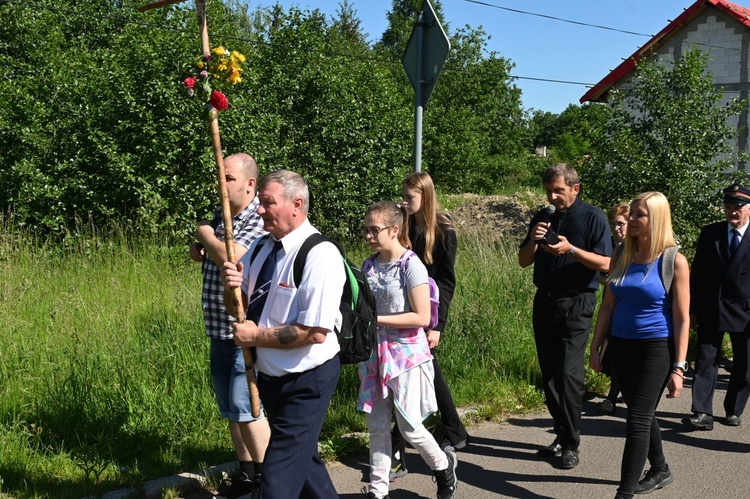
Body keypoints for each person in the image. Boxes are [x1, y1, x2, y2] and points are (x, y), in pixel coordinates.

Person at [222, 170, 344, 499]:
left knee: (276, 483)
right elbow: (239, 310)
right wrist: (230, 286)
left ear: (297, 205)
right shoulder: (262, 247)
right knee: (304, 466)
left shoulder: (321, 255)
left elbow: (315, 332)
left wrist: (254, 338)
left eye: (267, 203)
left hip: (307, 381)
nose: (259, 210)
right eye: (259, 202)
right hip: (270, 378)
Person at [590, 191, 689, 499]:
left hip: (655, 349)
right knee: (640, 412)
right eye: (631, 213)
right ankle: (660, 469)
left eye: (639, 215)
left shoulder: (675, 261)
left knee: (637, 420)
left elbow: (682, 319)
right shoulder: (621, 254)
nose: (631, 219)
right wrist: (596, 346)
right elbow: (607, 305)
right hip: (621, 346)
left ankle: (624, 494)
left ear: (656, 219)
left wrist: (679, 368)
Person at [357, 201, 458, 499]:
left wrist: (376, 319)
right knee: (376, 428)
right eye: (367, 230)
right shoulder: (368, 265)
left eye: (374, 230)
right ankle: (379, 492)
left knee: (410, 428)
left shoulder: (410, 264)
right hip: (375, 355)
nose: (369, 236)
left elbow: (422, 317)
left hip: (406, 357)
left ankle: (442, 465)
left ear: (395, 229)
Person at [518, 163, 611, 469]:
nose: (553, 196)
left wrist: (571, 250)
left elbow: (607, 263)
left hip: (577, 303)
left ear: (575, 188)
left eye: (558, 190)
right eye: (549, 191)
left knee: (569, 375)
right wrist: (534, 237)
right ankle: (560, 434)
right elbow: (523, 261)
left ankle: (571, 443)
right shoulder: (543, 216)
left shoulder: (593, 216)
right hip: (544, 302)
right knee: (551, 376)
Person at [188, 153, 270, 499]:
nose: (221, 185)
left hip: (244, 329)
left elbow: (231, 255)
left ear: (250, 184)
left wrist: (204, 234)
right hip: (218, 327)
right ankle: (247, 474)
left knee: (250, 408)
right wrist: (204, 241)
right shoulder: (222, 216)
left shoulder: (256, 218)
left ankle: (270, 479)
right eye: (220, 178)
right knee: (232, 409)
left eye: (229, 179)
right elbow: (207, 251)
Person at [388, 171, 469, 480]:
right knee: (419, 374)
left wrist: (438, 326)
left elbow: (447, 283)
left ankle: (402, 448)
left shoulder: (444, 232)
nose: (404, 202)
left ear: (426, 197)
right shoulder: (405, 225)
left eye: (409, 197)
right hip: (403, 311)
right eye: (403, 196)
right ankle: (453, 431)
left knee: (414, 375)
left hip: (427, 314)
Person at [683, 183, 750, 430]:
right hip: (713, 306)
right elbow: (698, 274)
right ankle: (702, 412)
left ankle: (733, 409)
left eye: (738, 208)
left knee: (745, 363)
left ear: (749, 209)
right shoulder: (711, 233)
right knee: (705, 360)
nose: (733, 213)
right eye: (729, 207)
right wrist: (692, 309)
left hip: (746, 310)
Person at [597, 202, 630, 415]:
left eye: (620, 223)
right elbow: (598, 273)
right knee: (609, 348)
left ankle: (611, 397)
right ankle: (622, 391)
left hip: (627, 305)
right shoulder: (607, 244)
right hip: (610, 302)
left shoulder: (636, 247)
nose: (616, 228)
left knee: (619, 348)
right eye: (613, 223)